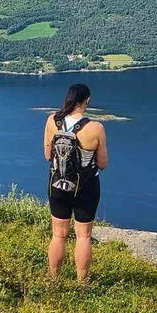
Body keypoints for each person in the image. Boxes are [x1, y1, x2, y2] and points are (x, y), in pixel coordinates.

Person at [44, 82, 108, 283]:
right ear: (87, 100)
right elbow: (103, 163)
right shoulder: (96, 128)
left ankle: (53, 278)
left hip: (57, 185)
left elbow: (48, 155)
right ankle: (81, 282)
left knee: (58, 234)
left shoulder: (52, 121)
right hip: (85, 187)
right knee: (83, 236)